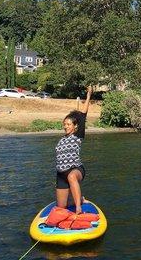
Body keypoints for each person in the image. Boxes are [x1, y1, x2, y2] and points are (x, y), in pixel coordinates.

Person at [55, 86, 92, 214]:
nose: (66, 127)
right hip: (61, 174)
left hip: (76, 170)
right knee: (61, 206)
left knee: (71, 176)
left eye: (68, 124)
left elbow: (83, 114)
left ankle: (78, 208)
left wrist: (88, 96)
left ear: (75, 126)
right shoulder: (62, 139)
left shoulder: (77, 136)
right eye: (64, 124)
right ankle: (80, 199)